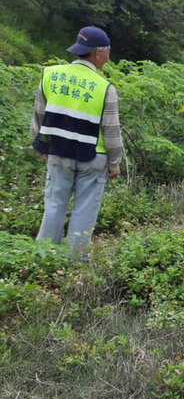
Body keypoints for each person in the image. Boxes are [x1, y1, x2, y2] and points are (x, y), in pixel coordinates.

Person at [32, 26, 123, 257]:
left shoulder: (50, 74)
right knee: (84, 210)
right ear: (97, 53)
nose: (108, 56)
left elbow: (39, 114)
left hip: (58, 151)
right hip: (93, 157)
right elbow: (111, 131)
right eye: (108, 52)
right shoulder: (105, 88)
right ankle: (73, 262)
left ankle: (44, 257)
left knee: (54, 204)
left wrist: (40, 143)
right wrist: (115, 164)